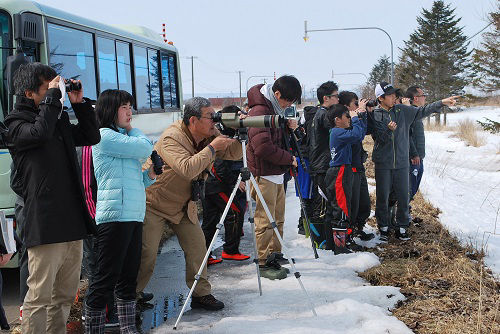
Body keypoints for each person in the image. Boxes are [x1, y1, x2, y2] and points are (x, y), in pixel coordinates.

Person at [4, 63, 100, 334]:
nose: (54, 92)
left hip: (71, 219)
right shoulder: (15, 123)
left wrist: (78, 104)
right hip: (44, 221)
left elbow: (91, 136)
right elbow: (39, 133)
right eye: (48, 88)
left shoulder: (54, 118)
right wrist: (53, 101)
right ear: (28, 92)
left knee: (65, 295)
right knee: (39, 297)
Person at [136, 97, 242, 311]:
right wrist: (213, 147)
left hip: (183, 204)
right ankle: (131, 296)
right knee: (147, 253)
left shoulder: (208, 134)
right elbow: (187, 168)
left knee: (197, 248)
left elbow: (234, 153)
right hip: (154, 203)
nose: (214, 121)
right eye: (210, 117)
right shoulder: (171, 138)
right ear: (193, 120)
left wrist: (238, 132)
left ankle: (201, 294)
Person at [85, 89, 157, 333]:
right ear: (109, 110)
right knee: (105, 279)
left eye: (130, 107)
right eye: (124, 107)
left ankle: (128, 329)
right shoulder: (104, 136)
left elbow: (136, 181)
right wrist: (135, 132)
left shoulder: (121, 139)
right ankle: (93, 329)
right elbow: (144, 147)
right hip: (114, 217)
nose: (130, 112)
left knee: (128, 279)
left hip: (133, 215)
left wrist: (150, 176)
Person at [370, 82, 458, 241]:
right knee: (383, 196)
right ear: (380, 98)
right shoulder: (376, 114)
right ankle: (383, 227)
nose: (393, 97)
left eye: (394, 94)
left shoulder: (402, 110)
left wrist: (442, 103)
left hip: (402, 163)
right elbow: (377, 139)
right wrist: (388, 130)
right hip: (383, 163)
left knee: (403, 196)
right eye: (389, 95)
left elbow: (422, 111)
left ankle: (402, 227)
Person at [246, 75, 301, 280]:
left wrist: (288, 128)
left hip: (277, 173)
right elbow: (262, 147)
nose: (288, 105)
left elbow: (275, 140)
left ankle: (274, 255)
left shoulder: (274, 110)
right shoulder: (260, 111)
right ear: (276, 94)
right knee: (265, 220)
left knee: (277, 219)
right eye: (287, 100)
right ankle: (263, 262)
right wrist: (289, 158)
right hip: (264, 173)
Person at [202, 105, 250, 264]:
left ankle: (205, 256)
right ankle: (230, 250)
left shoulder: (228, 131)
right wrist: (235, 183)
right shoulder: (218, 133)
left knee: (210, 221)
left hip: (212, 183)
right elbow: (219, 164)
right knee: (235, 212)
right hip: (217, 183)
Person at [324, 104, 366, 254]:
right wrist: (355, 118)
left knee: (340, 207)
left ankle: (337, 243)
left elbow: (360, 134)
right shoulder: (336, 132)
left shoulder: (338, 131)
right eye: (346, 116)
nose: (349, 118)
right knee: (341, 208)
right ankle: (339, 247)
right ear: (337, 120)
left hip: (341, 170)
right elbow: (357, 135)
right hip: (339, 171)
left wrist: (360, 116)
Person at [338, 91, 374, 242]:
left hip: (358, 165)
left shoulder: (354, 118)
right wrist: (358, 116)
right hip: (349, 167)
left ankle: (359, 228)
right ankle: (349, 234)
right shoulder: (343, 121)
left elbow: (367, 131)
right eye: (355, 104)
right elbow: (357, 134)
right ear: (346, 106)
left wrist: (365, 113)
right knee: (352, 203)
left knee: (364, 202)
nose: (358, 106)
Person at [308, 81, 339, 249]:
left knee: (323, 203)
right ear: (326, 98)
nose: (338, 99)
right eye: (336, 96)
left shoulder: (321, 113)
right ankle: (321, 242)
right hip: (321, 165)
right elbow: (338, 131)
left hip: (321, 163)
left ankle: (324, 240)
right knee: (322, 204)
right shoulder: (324, 114)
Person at [406, 86, 427, 207]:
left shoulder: (416, 113)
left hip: (419, 158)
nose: (424, 98)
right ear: (416, 98)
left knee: (413, 189)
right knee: (409, 188)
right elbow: (408, 136)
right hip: (413, 159)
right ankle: (402, 215)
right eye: (423, 95)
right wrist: (413, 154)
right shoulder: (411, 114)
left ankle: (404, 212)